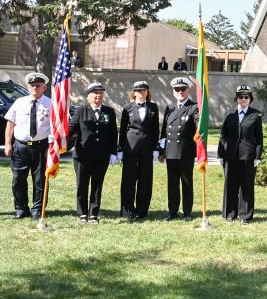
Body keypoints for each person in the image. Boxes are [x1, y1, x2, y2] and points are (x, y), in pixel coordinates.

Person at [68, 82, 118, 224]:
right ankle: (82, 213)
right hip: (82, 155)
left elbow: (113, 133)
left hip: (102, 155)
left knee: (97, 185)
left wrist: (113, 152)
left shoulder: (109, 112)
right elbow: (71, 128)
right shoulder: (80, 111)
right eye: (95, 93)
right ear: (88, 96)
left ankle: (94, 214)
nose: (98, 95)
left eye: (101, 93)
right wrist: (60, 138)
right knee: (82, 184)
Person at [4, 72, 51, 220]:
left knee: (40, 180)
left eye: (38, 85)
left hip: (41, 147)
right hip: (20, 146)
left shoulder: (51, 104)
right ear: (28, 86)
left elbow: (57, 128)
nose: (34, 88)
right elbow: (10, 124)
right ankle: (21, 209)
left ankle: (37, 209)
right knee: (18, 179)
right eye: (32, 85)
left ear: (44, 87)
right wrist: (7, 144)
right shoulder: (19, 102)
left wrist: (51, 148)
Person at [218, 84, 263, 224]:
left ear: (250, 98)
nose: (243, 99)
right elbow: (222, 136)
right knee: (230, 185)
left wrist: (257, 156)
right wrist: (222, 153)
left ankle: (245, 216)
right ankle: (230, 214)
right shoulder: (230, 115)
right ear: (236, 99)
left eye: (246, 97)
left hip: (247, 157)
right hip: (230, 156)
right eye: (240, 97)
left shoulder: (255, 115)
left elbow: (259, 138)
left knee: (246, 187)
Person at [118, 80, 160, 221]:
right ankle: (127, 211)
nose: (141, 93)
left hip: (147, 149)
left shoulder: (154, 107)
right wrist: (120, 149)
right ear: (134, 92)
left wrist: (156, 148)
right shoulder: (128, 108)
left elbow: (155, 130)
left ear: (147, 92)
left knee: (145, 180)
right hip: (130, 148)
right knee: (128, 180)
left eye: (144, 90)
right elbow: (123, 130)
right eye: (138, 90)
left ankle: (142, 211)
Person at [159, 76, 199, 221]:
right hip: (170, 152)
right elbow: (164, 131)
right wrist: (162, 151)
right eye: (177, 89)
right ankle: (172, 211)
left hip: (185, 151)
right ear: (174, 92)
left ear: (188, 90)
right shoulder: (169, 108)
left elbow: (198, 124)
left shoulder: (194, 107)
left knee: (186, 182)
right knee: (172, 183)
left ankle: (187, 212)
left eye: (183, 89)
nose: (180, 91)